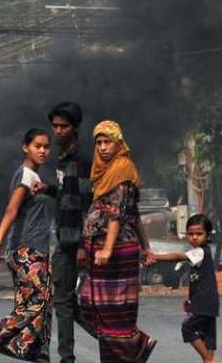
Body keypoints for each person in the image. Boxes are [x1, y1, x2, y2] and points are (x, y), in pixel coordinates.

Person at [79, 120, 156, 363]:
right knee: (95, 306)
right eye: (98, 143)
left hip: (116, 251)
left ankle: (138, 345)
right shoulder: (104, 173)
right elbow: (136, 216)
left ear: (118, 143)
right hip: (100, 250)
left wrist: (108, 249)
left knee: (114, 312)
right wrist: (147, 247)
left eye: (107, 142)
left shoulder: (123, 169)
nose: (102, 147)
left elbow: (117, 213)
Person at [0, 128, 53, 363]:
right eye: (37, 146)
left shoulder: (36, 177)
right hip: (26, 250)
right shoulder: (26, 175)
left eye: (46, 146)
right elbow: (11, 210)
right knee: (37, 302)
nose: (42, 151)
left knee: (41, 307)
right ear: (25, 147)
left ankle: (41, 357)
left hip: (37, 249)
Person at [33, 102, 96, 363]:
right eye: (55, 126)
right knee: (65, 301)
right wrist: (48, 189)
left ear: (75, 128)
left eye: (64, 126)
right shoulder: (64, 158)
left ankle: (68, 358)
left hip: (73, 241)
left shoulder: (80, 160)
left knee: (63, 300)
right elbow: (67, 195)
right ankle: (118, 341)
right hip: (65, 237)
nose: (58, 131)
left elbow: (84, 204)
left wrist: (82, 244)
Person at [146, 215, 219, 363]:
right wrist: (191, 300)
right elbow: (199, 281)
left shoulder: (201, 252)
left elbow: (177, 256)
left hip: (204, 300)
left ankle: (208, 360)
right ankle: (210, 359)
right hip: (208, 300)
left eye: (199, 234)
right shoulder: (202, 252)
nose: (194, 237)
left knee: (188, 328)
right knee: (207, 334)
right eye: (190, 234)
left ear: (208, 235)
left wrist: (155, 256)